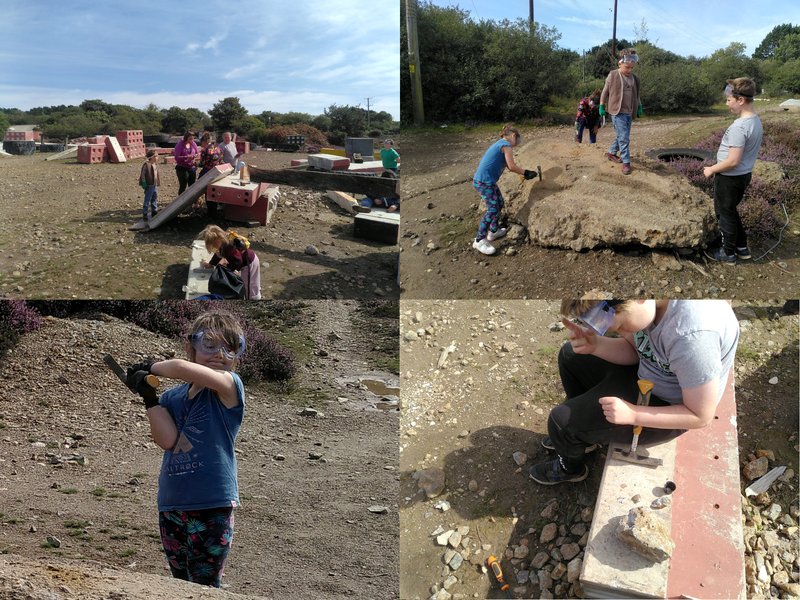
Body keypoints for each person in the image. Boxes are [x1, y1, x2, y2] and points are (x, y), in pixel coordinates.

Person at [528, 299, 739, 485]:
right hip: (648, 374)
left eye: (620, 326)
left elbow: (700, 416)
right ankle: (582, 437)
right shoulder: (644, 307)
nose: (620, 332)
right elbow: (636, 351)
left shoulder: (692, 338)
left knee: (561, 422)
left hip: (669, 406)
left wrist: (633, 414)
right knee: (570, 356)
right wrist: (596, 345)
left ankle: (570, 467)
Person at [124, 310, 246, 588]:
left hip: (212, 503)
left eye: (230, 347)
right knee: (181, 585)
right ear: (192, 346)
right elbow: (167, 440)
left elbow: (178, 368)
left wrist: (149, 366)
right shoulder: (173, 396)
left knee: (204, 585)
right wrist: (150, 399)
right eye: (209, 344)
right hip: (172, 503)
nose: (219, 354)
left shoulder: (229, 385)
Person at [702, 77, 763, 265]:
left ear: (741, 100)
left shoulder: (740, 127)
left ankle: (727, 253)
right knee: (731, 211)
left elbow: (733, 161)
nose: (727, 103)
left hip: (729, 178)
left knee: (724, 213)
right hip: (743, 176)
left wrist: (711, 168)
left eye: (729, 100)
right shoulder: (755, 120)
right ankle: (741, 248)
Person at [471, 124, 539, 256]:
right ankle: (479, 240)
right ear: (513, 136)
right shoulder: (506, 145)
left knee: (499, 203)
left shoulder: (500, 144)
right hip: (483, 182)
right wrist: (526, 173)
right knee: (492, 209)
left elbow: (508, 166)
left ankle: (493, 231)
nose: (516, 145)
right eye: (517, 142)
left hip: (486, 181)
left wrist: (524, 173)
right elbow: (512, 167)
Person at [599, 49, 643, 175]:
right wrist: (601, 106)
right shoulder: (613, 75)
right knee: (624, 138)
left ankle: (611, 153)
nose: (629, 70)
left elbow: (637, 95)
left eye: (632, 68)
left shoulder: (635, 79)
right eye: (627, 67)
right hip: (617, 112)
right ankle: (626, 162)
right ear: (620, 63)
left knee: (623, 136)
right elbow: (605, 92)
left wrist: (639, 106)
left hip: (629, 112)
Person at [198, 225, 261, 300]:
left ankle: (253, 299)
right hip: (244, 261)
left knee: (249, 284)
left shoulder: (229, 246)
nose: (213, 247)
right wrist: (211, 264)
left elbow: (238, 261)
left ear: (217, 240)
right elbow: (218, 255)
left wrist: (228, 269)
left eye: (213, 244)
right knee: (249, 281)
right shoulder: (223, 242)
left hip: (249, 263)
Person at [139, 149, 161, 221]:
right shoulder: (146, 165)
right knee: (147, 199)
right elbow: (142, 175)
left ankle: (154, 211)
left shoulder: (154, 164)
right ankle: (145, 213)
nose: (157, 157)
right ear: (152, 157)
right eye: (156, 156)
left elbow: (156, 174)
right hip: (149, 185)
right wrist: (144, 183)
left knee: (154, 198)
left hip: (154, 185)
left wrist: (157, 182)